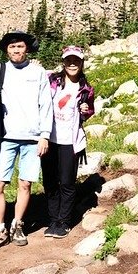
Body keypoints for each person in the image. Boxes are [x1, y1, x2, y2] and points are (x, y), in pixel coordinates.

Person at [0, 31, 53, 250]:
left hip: (32, 137)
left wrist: (45, 136)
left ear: (27, 49)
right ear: (6, 50)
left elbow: (45, 104)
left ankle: (17, 224)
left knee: (25, 183)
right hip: (7, 136)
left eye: (20, 47)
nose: (16, 51)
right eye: (12, 47)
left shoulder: (38, 72)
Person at [41, 45, 95, 239]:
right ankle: (53, 219)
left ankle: (64, 221)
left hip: (70, 142)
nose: (72, 64)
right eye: (69, 61)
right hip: (48, 139)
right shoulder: (51, 80)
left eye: (76, 61)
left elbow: (89, 111)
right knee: (49, 181)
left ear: (81, 63)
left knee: (67, 182)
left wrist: (85, 110)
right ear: (63, 62)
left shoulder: (86, 88)